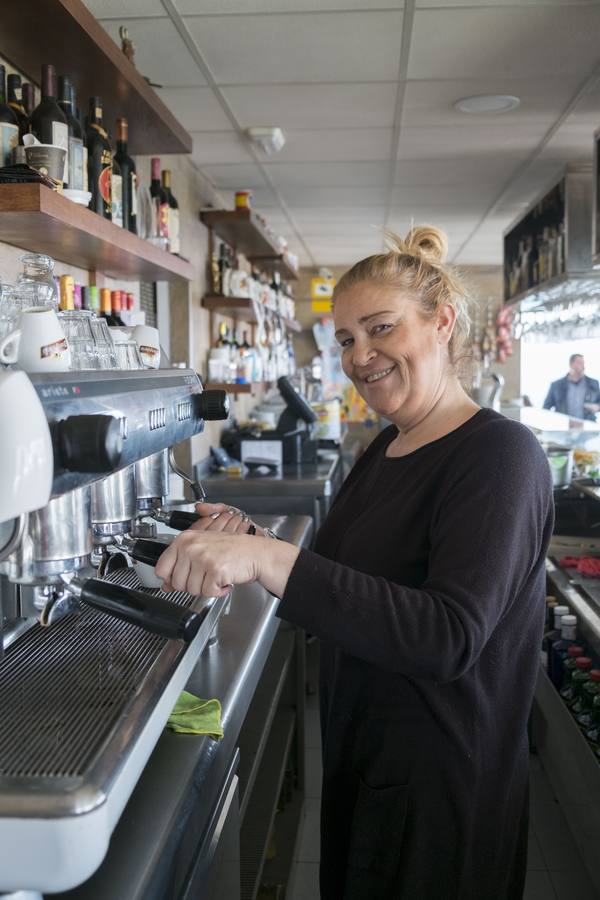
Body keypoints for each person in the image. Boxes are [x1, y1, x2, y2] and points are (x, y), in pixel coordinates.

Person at [156, 227, 554, 900]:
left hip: (441, 787)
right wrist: (246, 539)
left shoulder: (500, 456)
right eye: (345, 339)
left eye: (379, 328)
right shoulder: (387, 449)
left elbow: (447, 635)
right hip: (366, 757)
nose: (359, 356)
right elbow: (340, 578)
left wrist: (269, 556)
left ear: (441, 323)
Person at [543, 353, 600, 420]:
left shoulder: (593, 383)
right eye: (579, 363)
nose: (583, 366)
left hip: (587, 427)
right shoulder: (556, 385)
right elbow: (545, 409)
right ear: (571, 364)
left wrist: (597, 407)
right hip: (563, 427)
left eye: (583, 363)